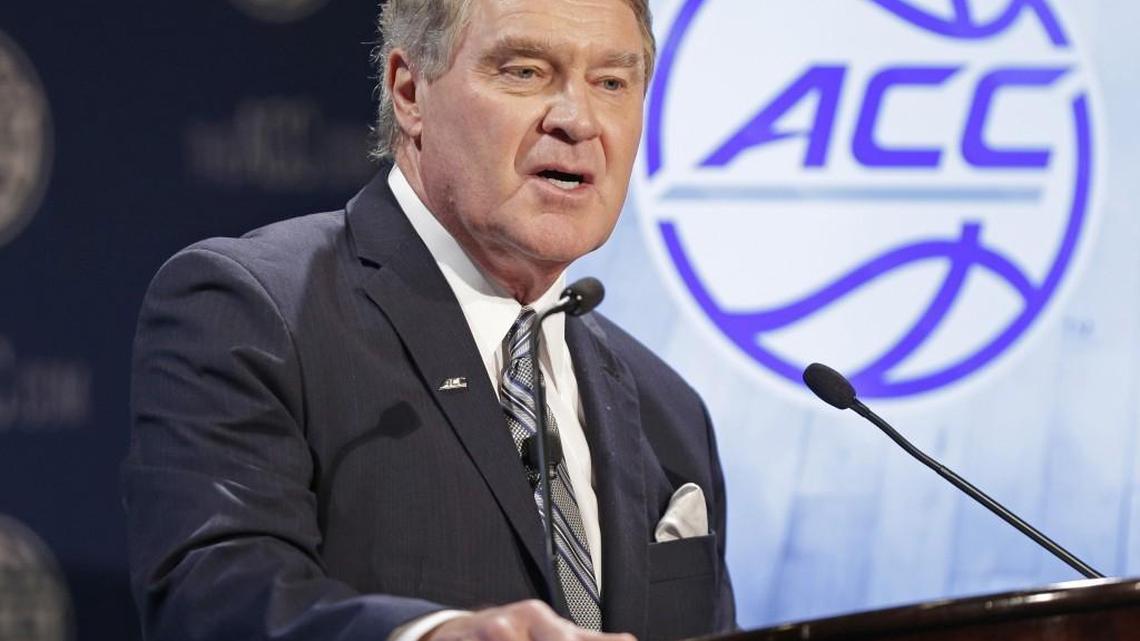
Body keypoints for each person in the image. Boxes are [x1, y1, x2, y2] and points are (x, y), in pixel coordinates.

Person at [123, 1, 736, 640]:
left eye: (611, 82)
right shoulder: (259, 312)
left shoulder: (669, 412)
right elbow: (213, 597)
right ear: (410, 92)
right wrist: (432, 636)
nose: (578, 120)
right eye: (525, 72)